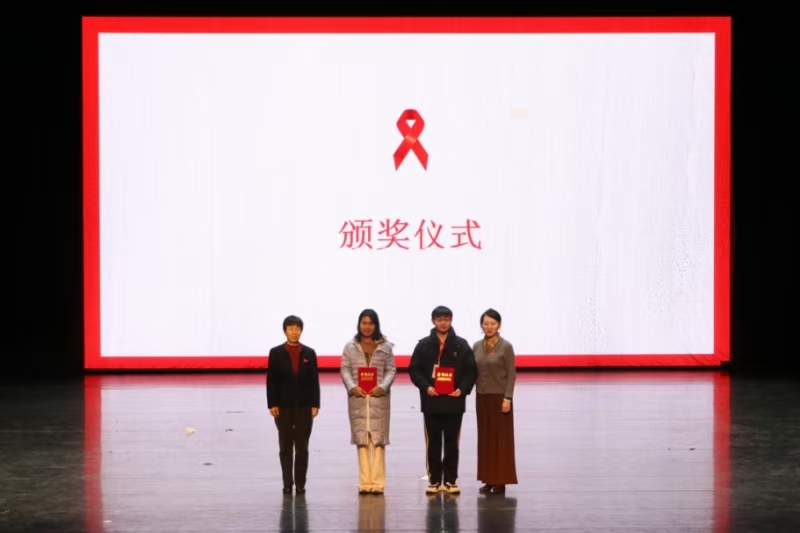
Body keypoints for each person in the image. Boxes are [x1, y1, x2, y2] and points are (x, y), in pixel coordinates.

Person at [409, 305, 477, 494]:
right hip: (431, 402)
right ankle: (434, 480)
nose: (443, 323)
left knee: (452, 444)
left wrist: (462, 389)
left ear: (451, 321)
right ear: (433, 321)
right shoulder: (423, 345)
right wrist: (426, 387)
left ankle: (450, 480)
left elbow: (471, 371)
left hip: (454, 403)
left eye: (446, 319)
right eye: (439, 319)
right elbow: (414, 370)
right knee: (433, 444)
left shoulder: (461, 345)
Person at [340, 309, 397, 494]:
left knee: (378, 441)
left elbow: (391, 370)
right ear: (359, 324)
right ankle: (365, 482)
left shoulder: (385, 347)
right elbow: (345, 369)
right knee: (362, 441)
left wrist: (383, 386)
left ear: (376, 325)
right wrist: (352, 387)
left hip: (378, 398)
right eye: (364, 323)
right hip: (358, 398)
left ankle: (378, 483)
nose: (367, 327)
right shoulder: (350, 347)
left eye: (370, 323)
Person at [266, 315, 320, 495]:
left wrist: (315, 404)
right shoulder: (276, 352)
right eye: (291, 328)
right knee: (285, 447)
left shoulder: (309, 353)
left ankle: (301, 484)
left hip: (304, 407)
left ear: (301, 331)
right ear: (285, 331)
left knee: (302, 447)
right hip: (283, 407)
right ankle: (287, 484)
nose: (294, 332)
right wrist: (272, 403)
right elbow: (271, 380)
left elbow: (314, 381)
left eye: (297, 328)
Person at [473, 308, 518, 494]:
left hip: (500, 398)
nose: (489, 327)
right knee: (485, 439)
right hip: (481, 398)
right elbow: (472, 371)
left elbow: (511, 374)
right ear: (481, 325)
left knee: (501, 440)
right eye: (486, 323)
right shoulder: (476, 346)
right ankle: (488, 479)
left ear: (499, 325)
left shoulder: (506, 346)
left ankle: (501, 480)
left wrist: (508, 397)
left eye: (493, 323)